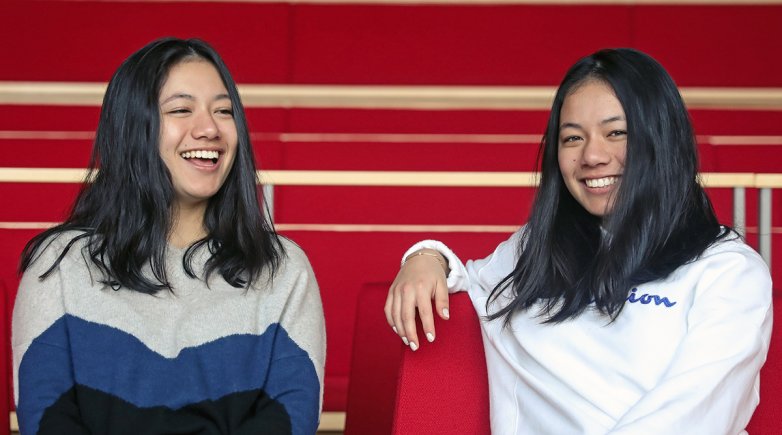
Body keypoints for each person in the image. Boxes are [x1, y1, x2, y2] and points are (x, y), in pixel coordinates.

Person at [385, 48, 772, 434]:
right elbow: (466, 277)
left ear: (661, 139)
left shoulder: (729, 271)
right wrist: (424, 256)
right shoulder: (537, 250)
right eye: (572, 138)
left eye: (616, 132)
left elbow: (694, 415)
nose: (592, 155)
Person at [13, 38, 325, 435]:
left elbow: (292, 417)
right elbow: (46, 417)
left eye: (224, 111)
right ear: (133, 128)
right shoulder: (59, 265)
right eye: (181, 109)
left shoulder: (282, 269)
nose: (210, 128)